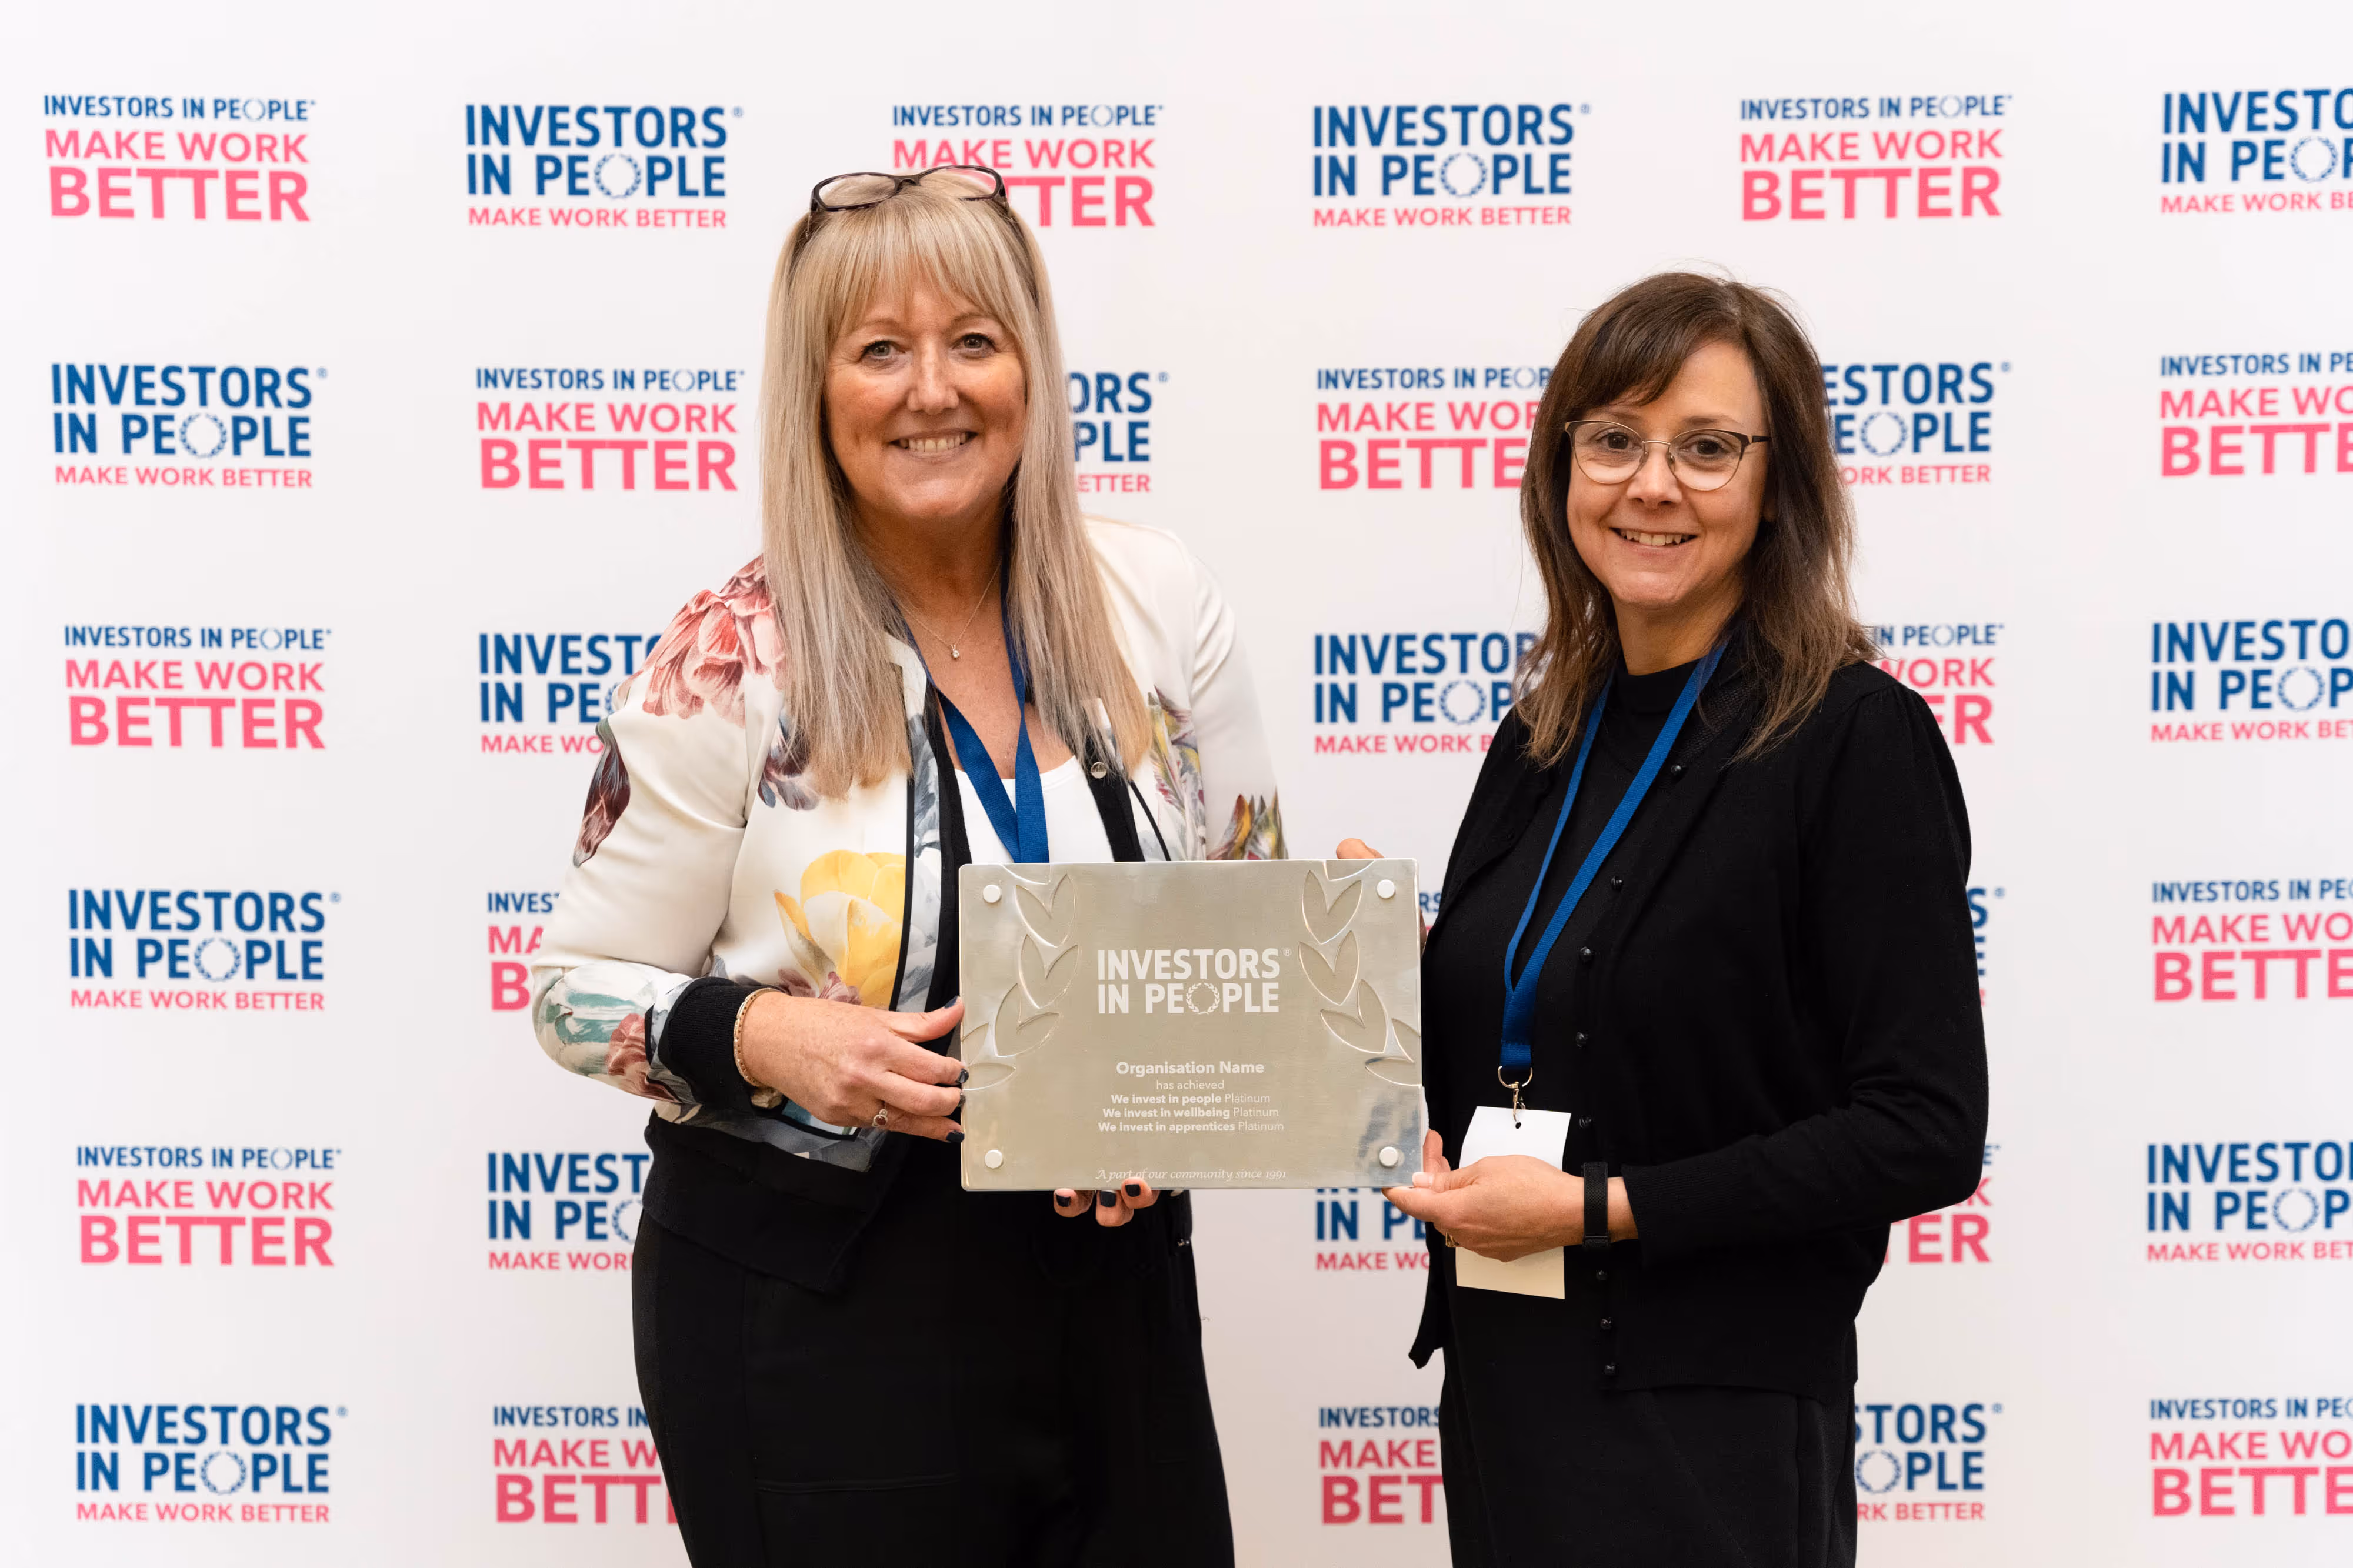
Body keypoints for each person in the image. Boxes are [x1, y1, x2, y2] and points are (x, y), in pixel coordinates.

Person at [530, 166, 1282, 1566]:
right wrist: (766, 1030)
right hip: (813, 1306)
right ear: (816, 393)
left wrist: (1164, 1115)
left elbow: (1244, 922)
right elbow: (571, 990)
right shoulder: (730, 654)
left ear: (1031, 369)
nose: (932, 389)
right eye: (879, 349)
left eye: (973, 342)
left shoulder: (1156, 598)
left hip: (1111, 1293)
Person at [1375, 272, 1988, 1567]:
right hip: (1505, 1378)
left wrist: (1593, 1209)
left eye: (1706, 448)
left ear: (1782, 485)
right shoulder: (1541, 734)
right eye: (1612, 439)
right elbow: (1536, 1034)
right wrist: (1368, 972)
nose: (1651, 484)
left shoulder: (1850, 740)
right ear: (1560, 472)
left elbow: (1921, 1131)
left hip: (1707, 1425)